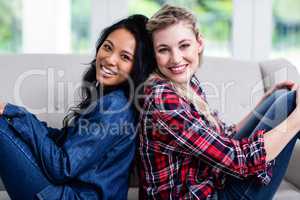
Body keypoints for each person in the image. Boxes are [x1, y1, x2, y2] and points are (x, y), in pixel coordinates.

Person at [138, 4, 300, 200]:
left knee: (280, 97)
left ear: (199, 43)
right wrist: (295, 121)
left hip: (212, 182)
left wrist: (263, 102)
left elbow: (223, 136)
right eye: (164, 50)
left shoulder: (185, 83)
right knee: (291, 104)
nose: (176, 58)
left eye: (184, 45)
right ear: (153, 55)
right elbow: (238, 162)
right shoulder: (163, 101)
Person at [0, 14, 155, 200]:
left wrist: (18, 115)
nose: (110, 60)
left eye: (125, 57)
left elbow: (61, 167)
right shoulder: (110, 98)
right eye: (107, 47)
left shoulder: (115, 106)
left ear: (138, 66)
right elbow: (63, 143)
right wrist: (16, 117)